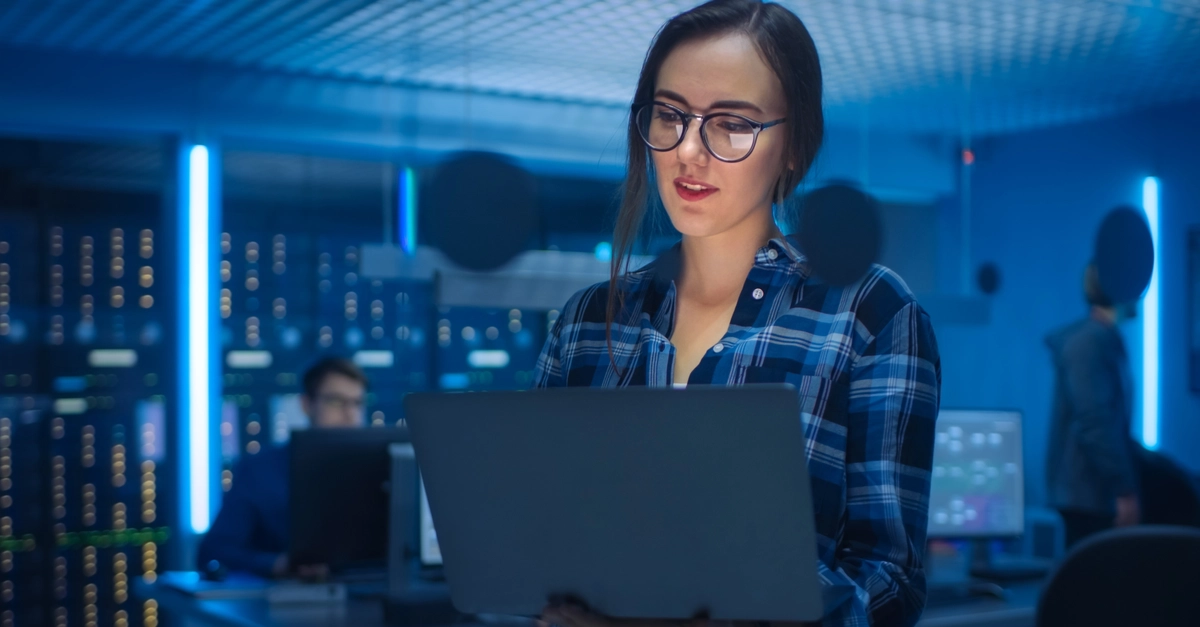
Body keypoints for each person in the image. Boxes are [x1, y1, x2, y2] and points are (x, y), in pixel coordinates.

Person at [534, 1, 941, 626]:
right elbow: (533, 544)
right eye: (670, 116)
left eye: (731, 124)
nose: (689, 152)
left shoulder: (869, 314)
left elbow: (889, 582)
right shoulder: (588, 322)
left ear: (794, 149)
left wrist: (748, 598)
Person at [196, 357, 369, 578]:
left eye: (357, 403)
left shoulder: (380, 468)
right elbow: (214, 552)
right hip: (288, 600)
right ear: (307, 404)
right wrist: (276, 564)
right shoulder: (260, 470)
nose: (350, 414)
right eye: (336, 401)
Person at [1045, 263, 1141, 549]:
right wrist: (1124, 488)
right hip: (1087, 499)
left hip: (1091, 495)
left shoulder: (1099, 339)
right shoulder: (1089, 342)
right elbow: (1095, 420)